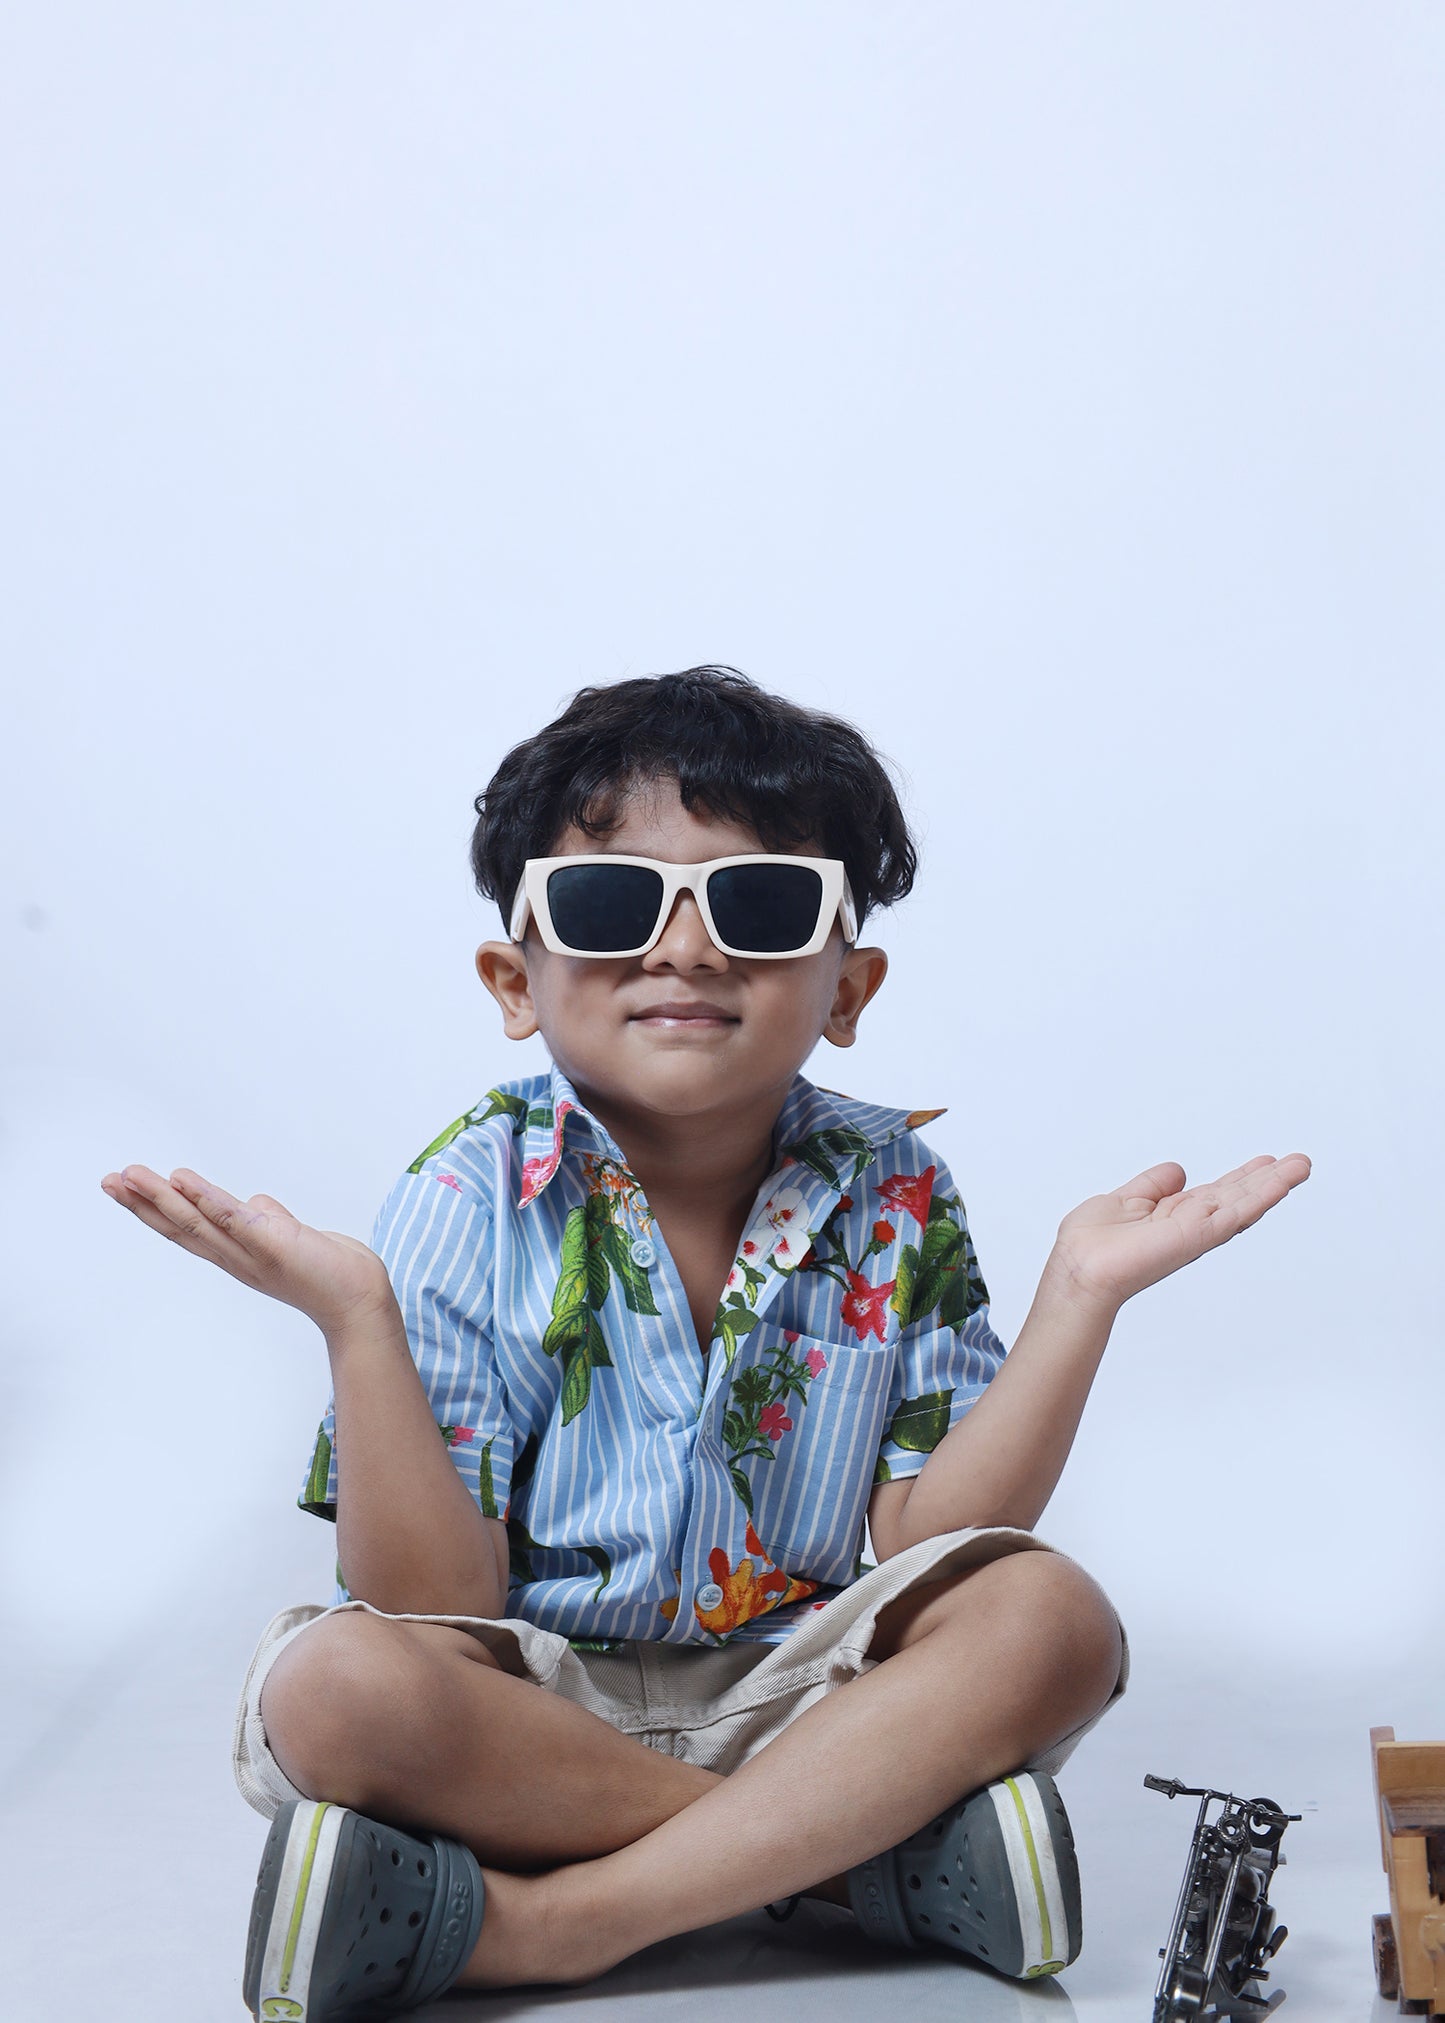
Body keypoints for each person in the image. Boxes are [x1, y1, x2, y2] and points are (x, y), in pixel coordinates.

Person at [102, 666, 1310, 2020]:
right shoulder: (465, 1192)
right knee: (336, 1684)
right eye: (614, 903)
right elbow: (430, 1601)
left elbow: (929, 1541)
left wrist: (1076, 1303)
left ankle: (549, 1921)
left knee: (1046, 1612)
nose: (684, 949)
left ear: (846, 987)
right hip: (531, 1714)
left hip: (800, 1695)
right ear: (515, 979)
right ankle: (851, 1865)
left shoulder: (890, 1186)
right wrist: (356, 1323)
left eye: (759, 902)